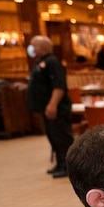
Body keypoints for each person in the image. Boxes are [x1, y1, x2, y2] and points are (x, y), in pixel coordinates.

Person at [26, 35, 73, 178]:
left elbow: (59, 86)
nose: (31, 48)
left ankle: (68, 167)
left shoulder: (52, 62)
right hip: (45, 109)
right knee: (53, 137)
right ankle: (60, 163)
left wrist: (53, 104)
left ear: (41, 47)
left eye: (33, 45)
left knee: (62, 138)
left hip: (56, 109)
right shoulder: (40, 62)